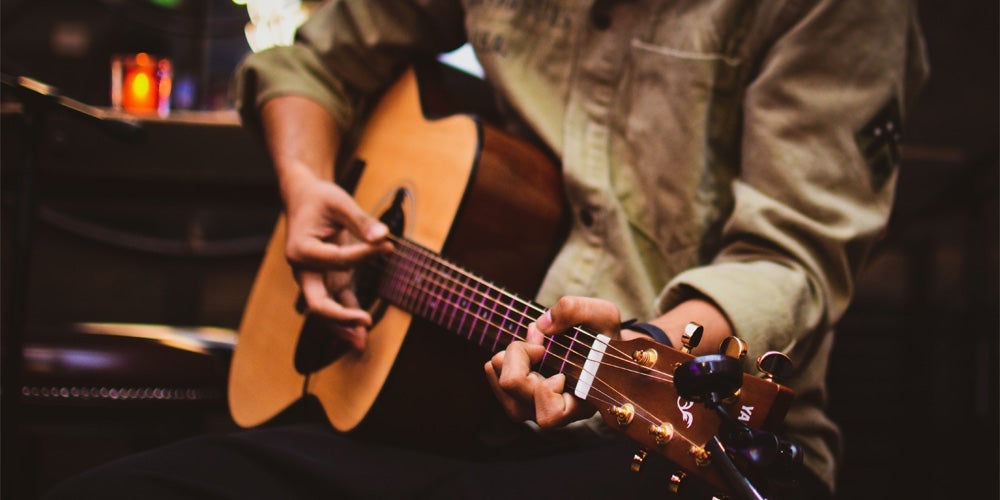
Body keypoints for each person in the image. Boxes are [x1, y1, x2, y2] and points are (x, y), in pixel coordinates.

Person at [46, 0, 928, 498]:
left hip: (695, 445)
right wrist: (309, 183)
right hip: (433, 425)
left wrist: (651, 348)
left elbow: (791, 255)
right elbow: (306, 65)